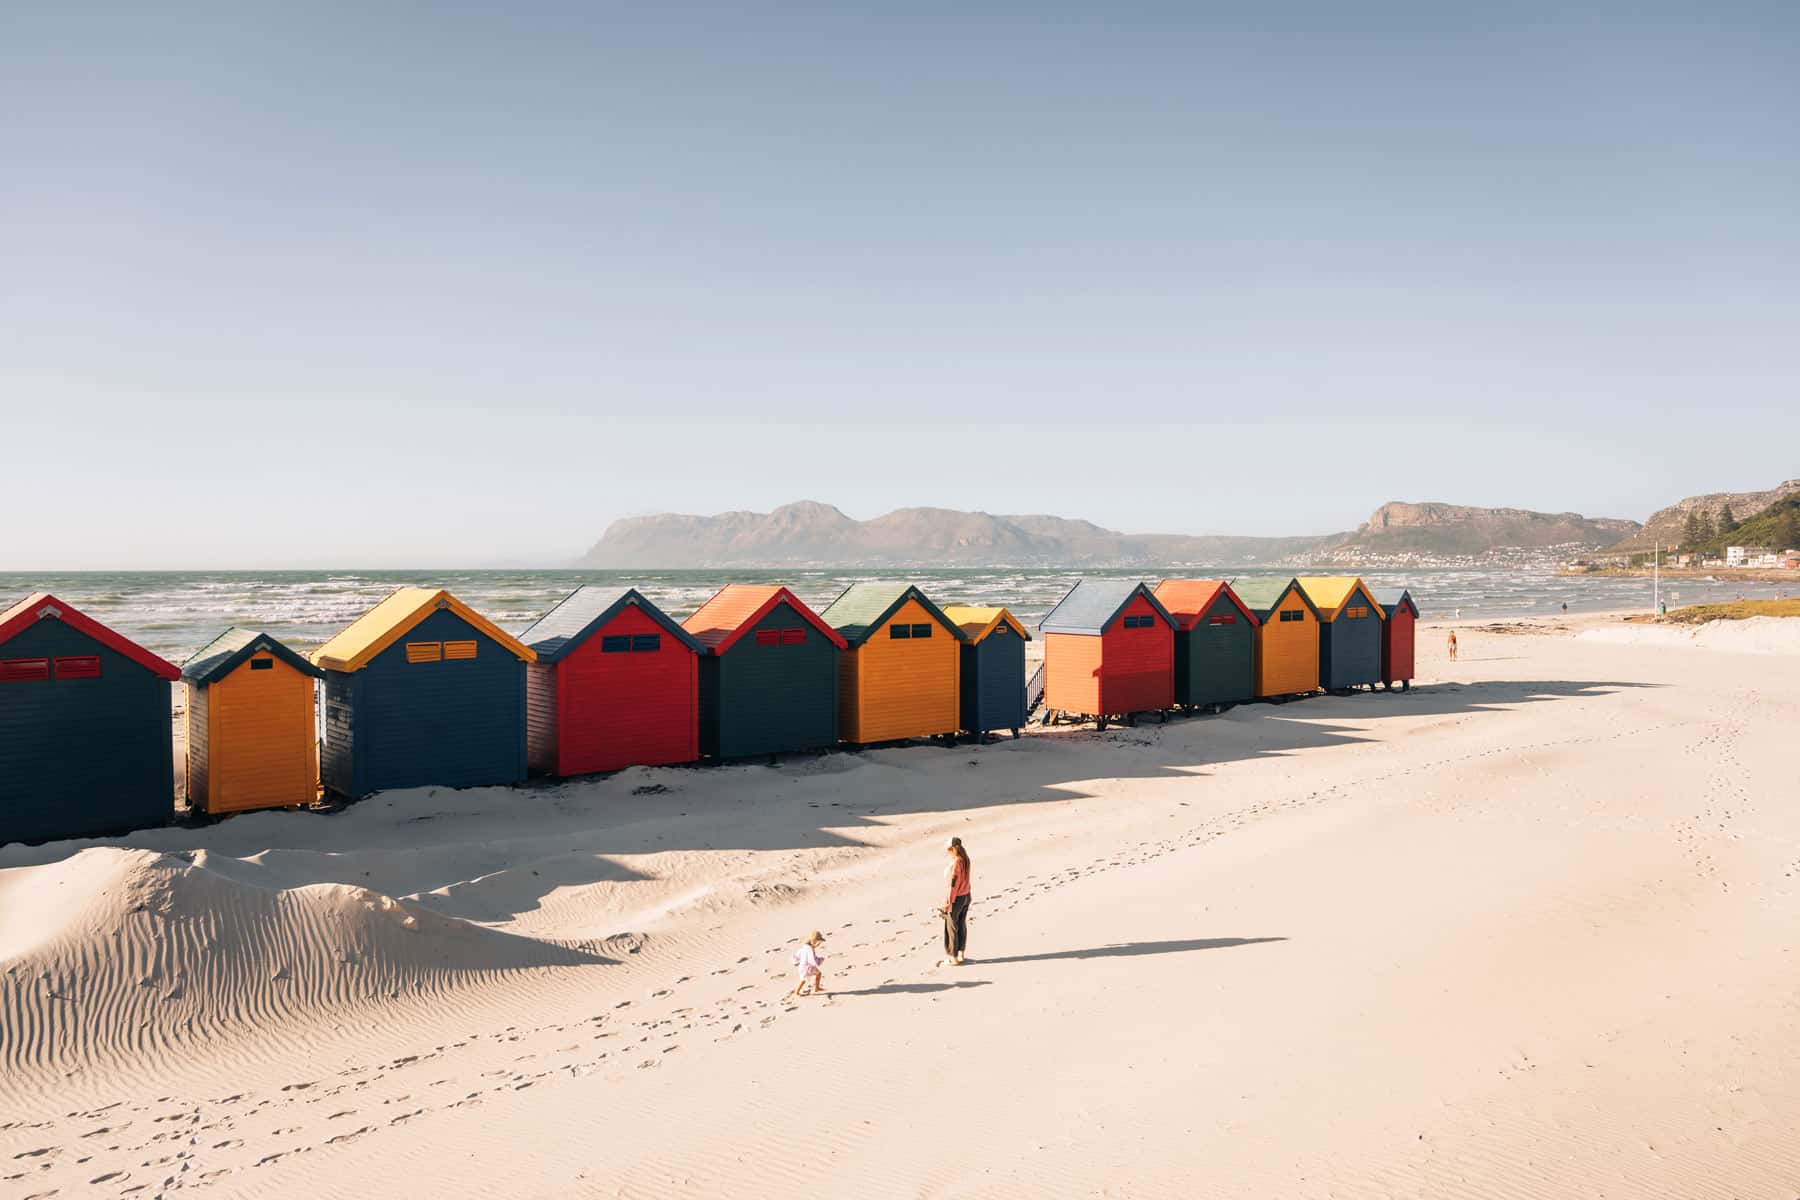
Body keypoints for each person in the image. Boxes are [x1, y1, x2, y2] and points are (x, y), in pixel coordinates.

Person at [940, 837, 972, 966]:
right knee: (961, 925)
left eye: (948, 849)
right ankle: (961, 954)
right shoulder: (966, 859)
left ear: (953, 849)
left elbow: (954, 884)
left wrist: (948, 903)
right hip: (966, 895)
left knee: (952, 927)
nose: (948, 852)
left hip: (957, 898)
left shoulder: (958, 862)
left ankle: (953, 958)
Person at [790, 930, 826, 998]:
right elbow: (812, 960)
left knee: (805, 978)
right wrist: (820, 960)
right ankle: (797, 992)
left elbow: (797, 956)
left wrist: (795, 962)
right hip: (808, 968)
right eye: (818, 942)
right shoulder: (810, 950)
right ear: (815, 941)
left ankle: (816, 988)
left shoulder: (804, 947)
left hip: (802, 967)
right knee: (806, 979)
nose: (819, 944)